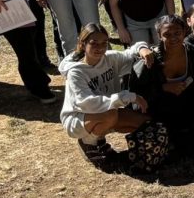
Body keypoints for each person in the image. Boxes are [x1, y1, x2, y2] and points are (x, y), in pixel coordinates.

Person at [59, 23, 152, 163]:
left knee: (145, 123)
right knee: (111, 114)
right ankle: (89, 143)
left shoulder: (109, 58)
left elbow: (132, 51)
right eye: (94, 43)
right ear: (83, 44)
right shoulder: (76, 72)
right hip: (78, 118)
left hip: (107, 111)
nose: (100, 47)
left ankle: (100, 135)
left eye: (104, 43)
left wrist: (143, 49)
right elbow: (86, 103)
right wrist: (127, 96)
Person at [131, 15, 194, 157]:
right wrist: (163, 88)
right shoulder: (150, 60)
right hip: (159, 111)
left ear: (185, 32)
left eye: (177, 33)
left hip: (186, 106)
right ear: (159, 36)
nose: (173, 38)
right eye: (167, 34)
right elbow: (135, 97)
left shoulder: (191, 52)